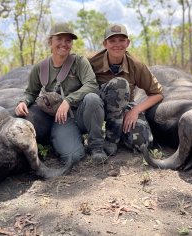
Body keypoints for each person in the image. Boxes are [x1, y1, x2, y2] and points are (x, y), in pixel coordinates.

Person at [15, 22, 107, 164]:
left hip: (83, 113)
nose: (64, 44)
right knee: (73, 157)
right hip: (62, 120)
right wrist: (23, 102)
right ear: (50, 41)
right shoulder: (40, 68)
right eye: (59, 39)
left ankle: (96, 146)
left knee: (93, 98)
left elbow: (92, 85)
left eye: (68, 40)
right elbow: (31, 92)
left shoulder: (80, 62)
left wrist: (69, 100)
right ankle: (74, 140)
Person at [89, 23, 163, 156]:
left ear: (128, 43)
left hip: (124, 109)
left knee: (143, 144)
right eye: (112, 40)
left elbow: (157, 94)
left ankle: (121, 132)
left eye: (122, 40)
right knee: (120, 84)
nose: (117, 44)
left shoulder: (137, 65)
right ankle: (110, 140)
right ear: (105, 43)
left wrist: (136, 110)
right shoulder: (91, 62)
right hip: (96, 108)